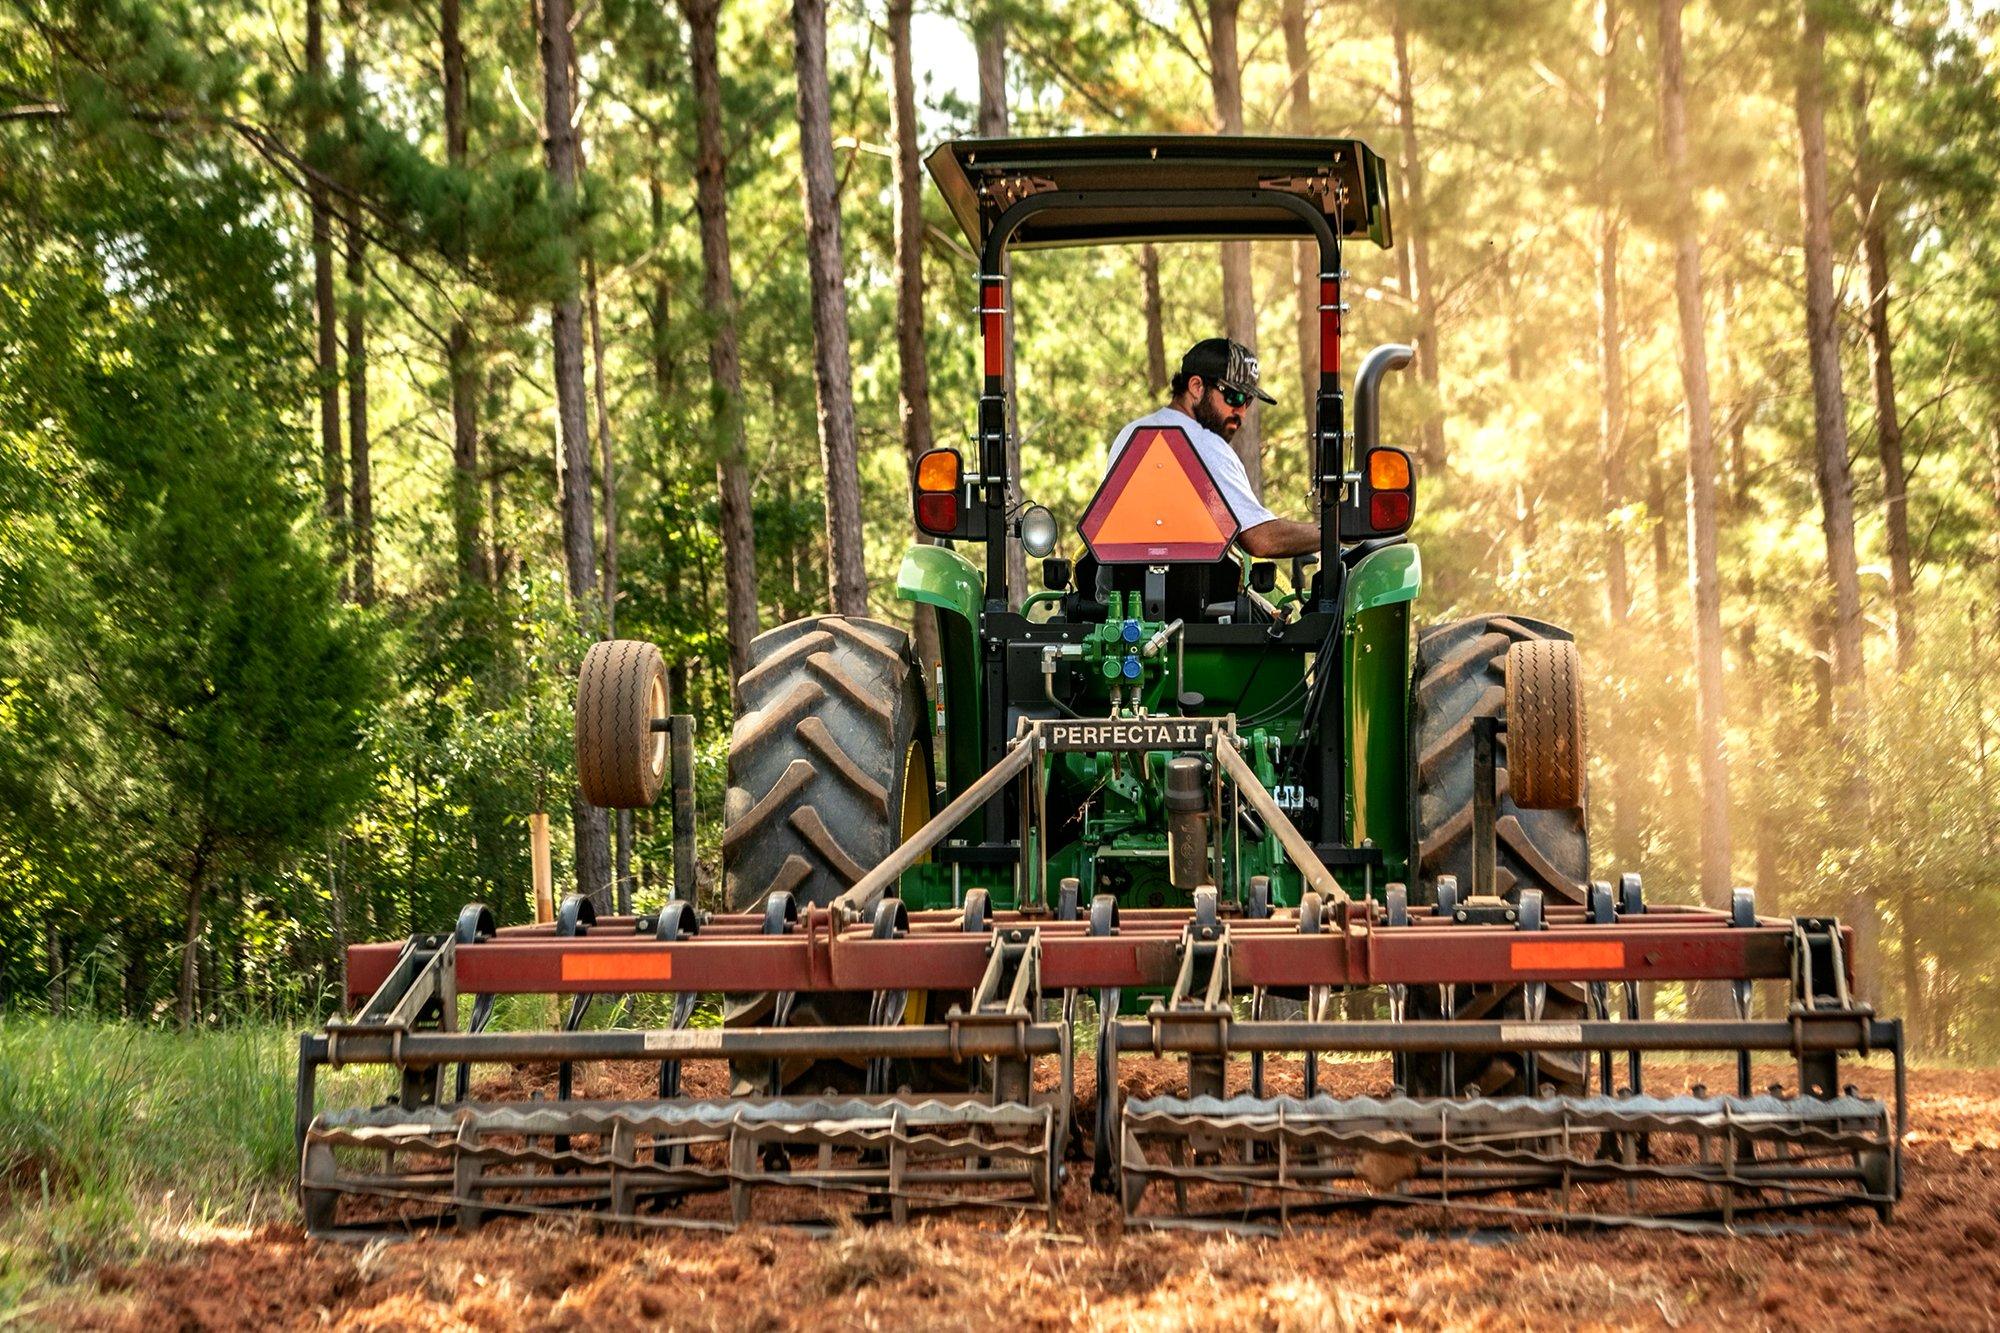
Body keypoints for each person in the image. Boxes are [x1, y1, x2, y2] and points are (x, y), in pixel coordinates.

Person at [1107, 338, 1320, 558]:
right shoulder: (1206, 445)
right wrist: (1333, 530)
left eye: (1247, 401)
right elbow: (1262, 539)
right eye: (1234, 397)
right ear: (1196, 387)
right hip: (1187, 580)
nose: (1241, 412)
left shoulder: (1130, 433)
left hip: (1120, 578)